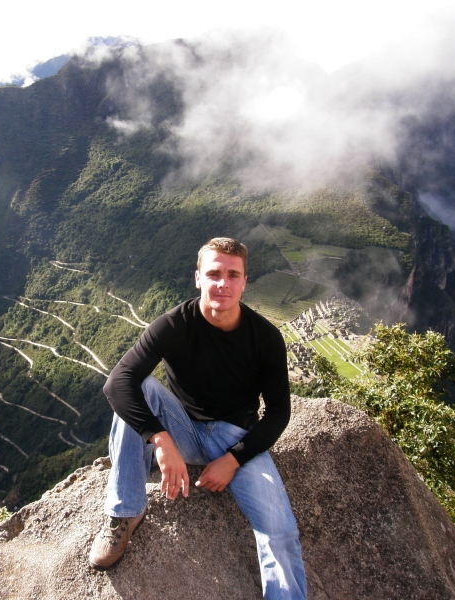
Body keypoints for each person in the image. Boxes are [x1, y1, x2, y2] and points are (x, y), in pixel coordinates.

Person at [88, 237, 307, 600]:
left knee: (279, 530)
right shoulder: (175, 325)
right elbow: (117, 383)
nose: (223, 283)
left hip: (236, 436)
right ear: (198, 278)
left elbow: (279, 413)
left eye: (233, 274)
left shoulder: (265, 338)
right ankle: (124, 513)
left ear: (244, 281)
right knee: (139, 385)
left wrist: (234, 458)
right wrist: (161, 439)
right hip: (182, 427)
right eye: (214, 273)